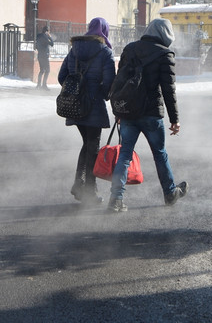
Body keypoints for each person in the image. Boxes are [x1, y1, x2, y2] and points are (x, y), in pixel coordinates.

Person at [107, 18, 187, 213]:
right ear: (165, 34)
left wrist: (119, 110)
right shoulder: (165, 54)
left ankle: (116, 199)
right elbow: (169, 90)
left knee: (124, 155)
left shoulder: (130, 49)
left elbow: (120, 81)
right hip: (151, 113)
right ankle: (170, 193)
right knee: (160, 154)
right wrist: (174, 119)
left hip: (128, 112)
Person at [58, 17, 116, 205]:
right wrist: (98, 95)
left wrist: (77, 90)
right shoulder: (105, 52)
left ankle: (79, 184)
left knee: (88, 145)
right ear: (104, 31)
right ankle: (90, 191)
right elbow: (109, 82)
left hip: (74, 106)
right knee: (93, 148)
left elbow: (62, 77)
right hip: (93, 106)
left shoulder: (74, 49)